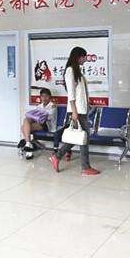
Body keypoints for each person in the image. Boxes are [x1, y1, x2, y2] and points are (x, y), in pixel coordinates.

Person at [49, 47, 100, 176]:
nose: (85, 59)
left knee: (80, 137)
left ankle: (57, 156)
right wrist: (74, 112)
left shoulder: (77, 71)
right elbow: (71, 93)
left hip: (81, 109)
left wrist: (87, 103)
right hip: (77, 110)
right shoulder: (70, 71)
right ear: (78, 57)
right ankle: (85, 167)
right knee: (84, 138)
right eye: (84, 56)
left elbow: (80, 92)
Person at [18, 88, 57, 160]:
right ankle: (28, 144)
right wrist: (35, 117)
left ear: (49, 97)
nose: (44, 98)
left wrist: (38, 116)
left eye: (46, 96)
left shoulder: (52, 105)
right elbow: (33, 116)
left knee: (23, 128)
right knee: (26, 120)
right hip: (38, 124)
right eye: (42, 96)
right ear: (40, 97)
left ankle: (29, 145)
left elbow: (48, 117)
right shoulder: (39, 106)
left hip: (47, 125)